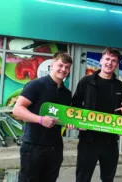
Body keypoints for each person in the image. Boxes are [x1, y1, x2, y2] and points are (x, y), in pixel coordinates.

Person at [13, 52, 73, 182]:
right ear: (52, 65)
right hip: (33, 146)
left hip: (55, 147)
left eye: (67, 67)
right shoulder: (36, 85)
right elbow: (17, 109)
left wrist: (70, 124)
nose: (63, 69)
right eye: (60, 65)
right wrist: (40, 120)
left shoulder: (67, 94)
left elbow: (62, 119)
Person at [72, 47, 122, 182]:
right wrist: (78, 124)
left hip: (110, 141)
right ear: (101, 60)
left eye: (114, 60)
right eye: (107, 59)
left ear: (117, 64)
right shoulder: (86, 82)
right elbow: (74, 105)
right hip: (88, 140)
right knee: (82, 178)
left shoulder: (120, 86)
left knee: (108, 178)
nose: (110, 63)